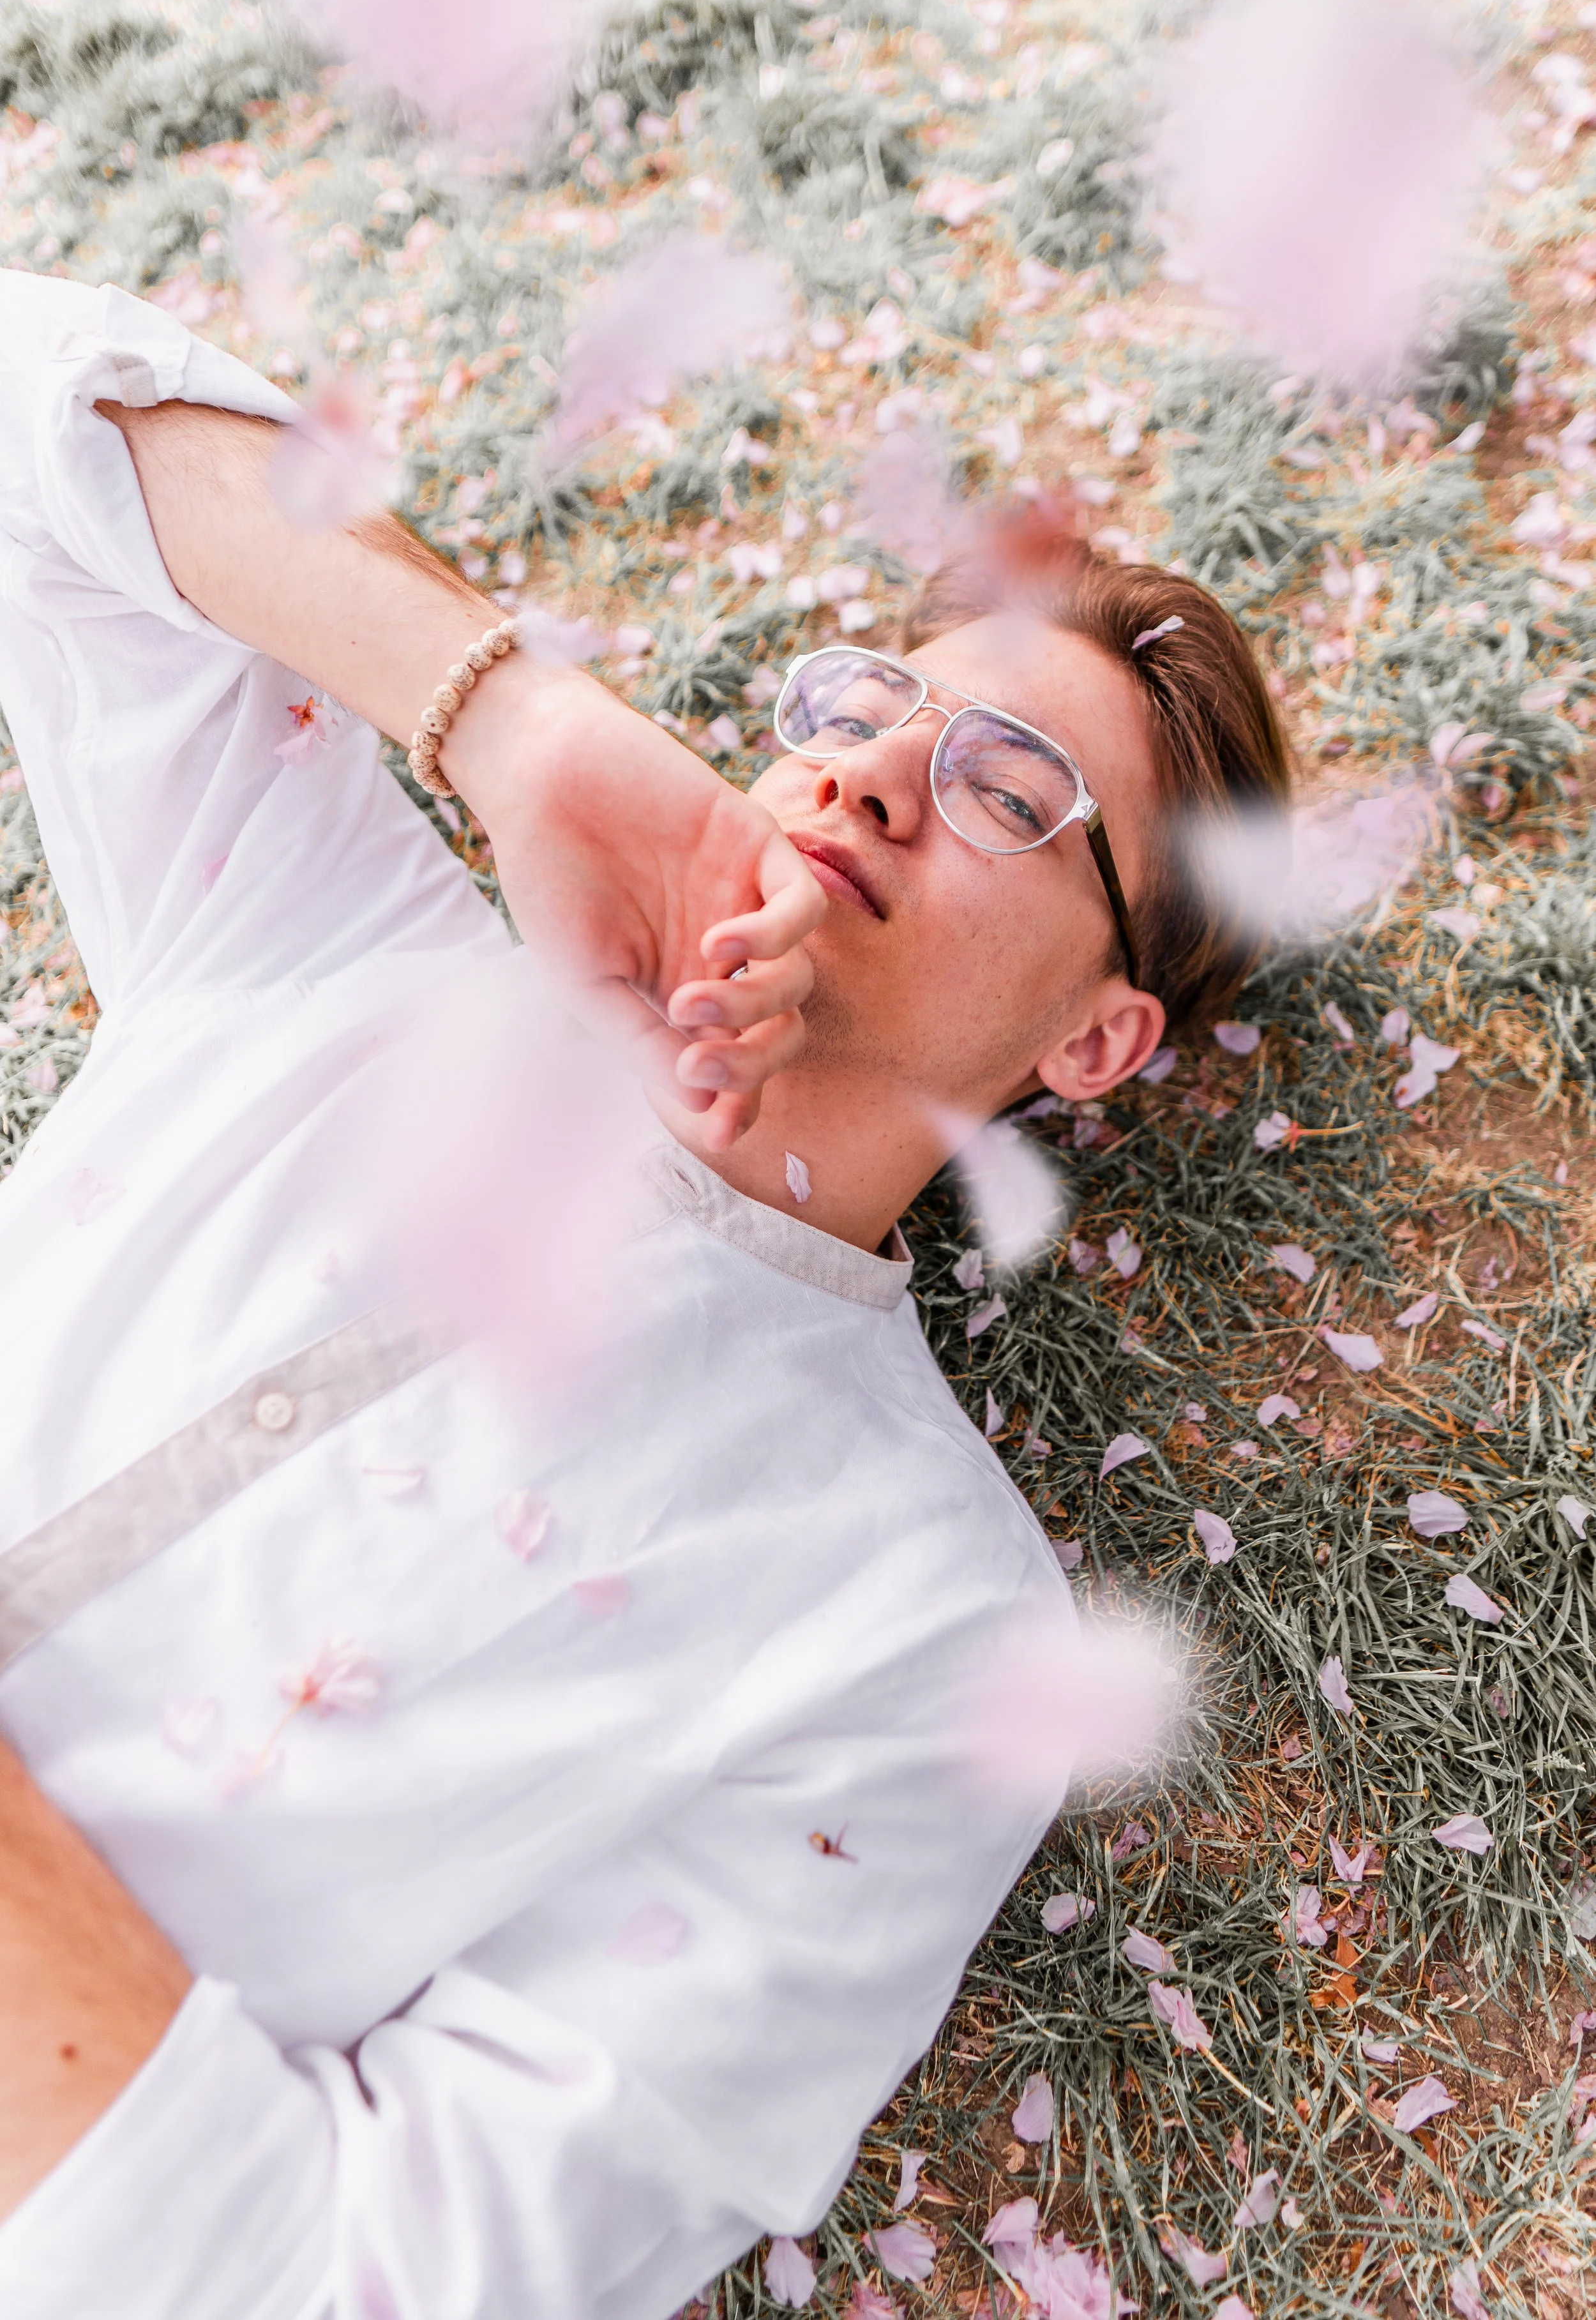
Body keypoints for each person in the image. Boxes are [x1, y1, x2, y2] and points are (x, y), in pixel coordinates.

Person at [0, 267, 1289, 2319]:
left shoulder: (917, 1632)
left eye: (1006, 793)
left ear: (1097, 1042)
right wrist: (505, 712)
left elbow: (358, 2280)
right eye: (863, 709)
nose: (875, 774)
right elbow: (35, 403)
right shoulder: (328, 933)